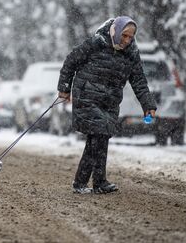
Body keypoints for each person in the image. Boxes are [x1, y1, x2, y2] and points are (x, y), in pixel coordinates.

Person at [57, 16, 157, 194]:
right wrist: (64, 89)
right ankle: (98, 181)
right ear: (116, 31)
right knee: (100, 134)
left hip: (109, 100)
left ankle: (83, 182)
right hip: (87, 95)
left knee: (99, 137)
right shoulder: (96, 43)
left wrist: (148, 104)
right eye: (124, 35)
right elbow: (70, 62)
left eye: (130, 37)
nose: (126, 40)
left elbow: (139, 80)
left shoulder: (131, 53)